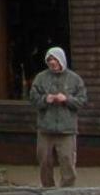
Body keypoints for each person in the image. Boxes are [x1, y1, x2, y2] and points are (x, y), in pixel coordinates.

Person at [29, 46, 87, 186]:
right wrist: (44, 99)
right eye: (49, 60)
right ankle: (48, 189)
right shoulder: (41, 78)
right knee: (44, 161)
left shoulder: (74, 79)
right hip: (45, 128)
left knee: (67, 160)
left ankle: (68, 190)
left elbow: (82, 101)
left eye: (55, 60)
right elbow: (33, 98)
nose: (52, 63)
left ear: (61, 60)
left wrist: (66, 99)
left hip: (66, 129)